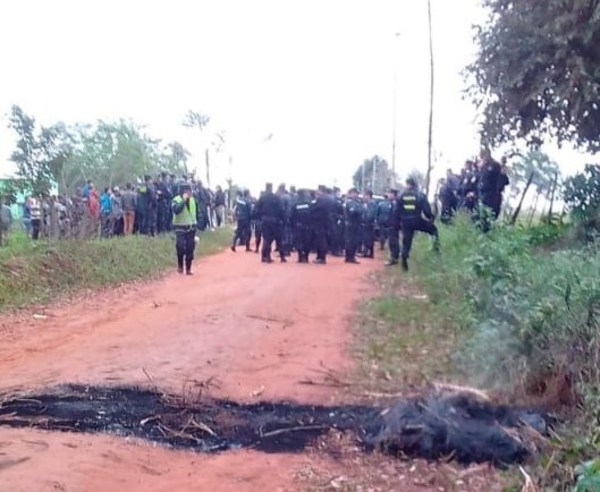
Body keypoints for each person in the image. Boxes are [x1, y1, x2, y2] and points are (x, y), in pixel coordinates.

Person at [397, 177, 439, 271]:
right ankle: (436, 250)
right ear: (414, 185)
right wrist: (430, 218)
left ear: (407, 184)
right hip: (417, 220)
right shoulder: (420, 194)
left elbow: (397, 211)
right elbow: (426, 210)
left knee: (406, 242)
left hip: (405, 223)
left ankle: (404, 257)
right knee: (434, 230)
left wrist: (398, 223)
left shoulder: (401, 195)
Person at [171, 183, 200, 275]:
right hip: (180, 226)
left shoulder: (193, 200)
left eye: (190, 191)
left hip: (191, 227)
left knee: (190, 248)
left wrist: (197, 223)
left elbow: (197, 212)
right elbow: (176, 210)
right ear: (183, 191)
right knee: (180, 247)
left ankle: (188, 268)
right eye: (188, 191)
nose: (190, 192)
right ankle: (180, 265)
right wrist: (183, 201)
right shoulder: (176, 200)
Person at [255, 183, 285, 263]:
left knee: (266, 239)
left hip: (265, 220)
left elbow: (256, 209)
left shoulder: (262, 198)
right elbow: (281, 209)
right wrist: (282, 219)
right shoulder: (276, 197)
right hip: (275, 220)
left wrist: (261, 216)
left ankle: (265, 256)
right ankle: (282, 257)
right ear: (271, 188)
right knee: (279, 239)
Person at [290, 189, 313, 263]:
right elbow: (312, 214)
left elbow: (292, 216)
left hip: (298, 225)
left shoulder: (296, 204)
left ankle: (300, 257)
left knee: (298, 242)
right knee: (307, 241)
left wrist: (292, 225)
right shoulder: (309, 204)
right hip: (308, 225)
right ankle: (306, 257)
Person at [310, 186, 332, 264]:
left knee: (321, 241)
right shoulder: (329, 199)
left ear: (321, 191)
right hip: (327, 222)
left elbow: (314, 209)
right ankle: (320, 257)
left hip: (320, 223)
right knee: (323, 240)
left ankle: (321, 257)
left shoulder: (321, 200)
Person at [344, 188, 363, 264]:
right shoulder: (349, 203)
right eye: (353, 193)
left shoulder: (358, 202)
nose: (355, 195)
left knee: (355, 241)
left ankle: (352, 256)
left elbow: (361, 211)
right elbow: (352, 212)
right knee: (349, 241)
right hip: (351, 223)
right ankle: (349, 257)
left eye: (356, 193)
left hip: (357, 224)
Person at [384, 189, 400, 266]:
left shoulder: (397, 203)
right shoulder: (392, 203)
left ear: (394, 194)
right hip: (391, 225)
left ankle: (394, 258)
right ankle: (393, 257)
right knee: (392, 242)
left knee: (393, 242)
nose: (389, 195)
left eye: (390, 194)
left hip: (395, 225)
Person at [362, 190, 377, 258]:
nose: (364, 197)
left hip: (369, 223)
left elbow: (370, 214)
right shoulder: (369, 203)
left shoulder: (371, 203)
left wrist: (366, 221)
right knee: (368, 238)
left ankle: (368, 252)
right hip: (369, 223)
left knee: (368, 238)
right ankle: (368, 252)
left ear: (368, 195)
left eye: (365, 195)